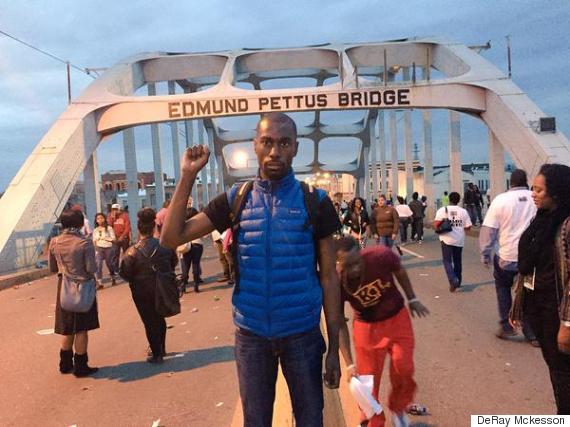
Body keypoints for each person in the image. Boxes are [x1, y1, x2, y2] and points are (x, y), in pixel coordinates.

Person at [160, 113, 342, 426]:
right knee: (255, 421)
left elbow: (329, 278)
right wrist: (188, 176)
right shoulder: (236, 200)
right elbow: (171, 238)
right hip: (252, 336)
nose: (275, 151)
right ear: (255, 146)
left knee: (311, 420)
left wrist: (335, 348)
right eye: (267, 142)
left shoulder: (316, 202)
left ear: (296, 148)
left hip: (303, 336)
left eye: (284, 143)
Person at [336, 236, 429, 427]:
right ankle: (372, 419)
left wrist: (412, 299)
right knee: (367, 381)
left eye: (356, 263)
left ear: (361, 255)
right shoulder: (335, 281)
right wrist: (348, 364)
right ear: (338, 264)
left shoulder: (380, 255)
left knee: (404, 367)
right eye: (347, 266)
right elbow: (338, 321)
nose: (354, 270)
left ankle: (399, 408)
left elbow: (399, 270)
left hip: (397, 319)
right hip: (367, 329)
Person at [510, 163, 570, 414]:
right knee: (555, 368)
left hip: (558, 311)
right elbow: (527, 269)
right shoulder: (542, 220)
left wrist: (568, 324)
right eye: (533, 188)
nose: (533, 194)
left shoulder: (566, 224)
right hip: (540, 308)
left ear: (556, 192)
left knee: (563, 372)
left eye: (539, 190)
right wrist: (518, 308)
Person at [479, 170, 538, 343]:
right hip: (531, 258)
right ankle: (532, 333)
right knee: (529, 293)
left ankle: (506, 326)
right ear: (526, 181)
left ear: (510, 183)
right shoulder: (535, 198)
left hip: (506, 257)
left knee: (503, 288)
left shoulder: (500, 200)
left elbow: (489, 231)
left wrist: (485, 254)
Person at [120, 208, 178, 364]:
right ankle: (162, 348)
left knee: (149, 321)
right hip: (163, 288)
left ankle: (157, 354)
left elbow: (125, 273)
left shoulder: (131, 252)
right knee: (160, 318)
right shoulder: (166, 246)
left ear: (139, 229)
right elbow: (173, 264)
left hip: (141, 291)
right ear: (155, 227)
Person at [48, 209, 99, 377]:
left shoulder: (54, 242)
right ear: (79, 224)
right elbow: (91, 268)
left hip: (63, 288)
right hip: (82, 288)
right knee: (82, 329)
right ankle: (81, 367)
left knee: (67, 328)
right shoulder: (85, 243)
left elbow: (52, 268)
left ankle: (65, 364)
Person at [434, 192, 472, 292]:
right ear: (459, 200)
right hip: (459, 239)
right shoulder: (463, 211)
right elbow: (468, 227)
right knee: (457, 261)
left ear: (449, 199)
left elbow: (436, 224)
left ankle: (453, 279)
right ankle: (458, 281)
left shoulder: (442, 210)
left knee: (447, 261)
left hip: (446, 239)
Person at [92, 213, 117, 289]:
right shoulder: (95, 230)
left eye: (101, 218)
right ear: (96, 221)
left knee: (109, 264)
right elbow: (94, 240)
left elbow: (114, 238)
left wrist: (106, 239)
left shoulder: (109, 228)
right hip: (99, 248)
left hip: (108, 247)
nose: (100, 220)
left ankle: (113, 277)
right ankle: (100, 283)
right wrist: (95, 248)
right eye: (98, 219)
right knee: (98, 264)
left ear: (104, 219)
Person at [108, 204, 131, 271]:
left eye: (116, 209)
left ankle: (126, 267)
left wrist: (122, 236)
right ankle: (116, 269)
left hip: (124, 238)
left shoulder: (125, 216)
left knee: (126, 253)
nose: (114, 211)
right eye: (113, 209)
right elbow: (109, 227)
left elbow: (127, 227)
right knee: (115, 254)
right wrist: (112, 218)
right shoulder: (110, 216)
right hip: (115, 238)